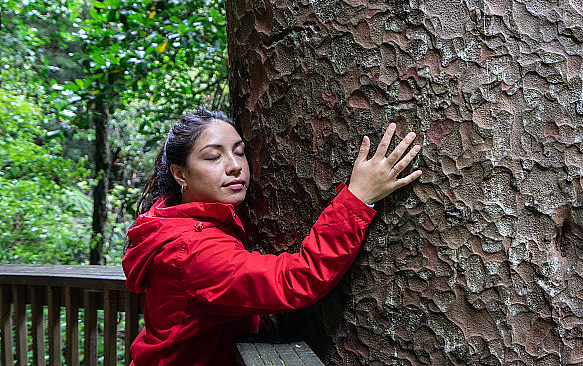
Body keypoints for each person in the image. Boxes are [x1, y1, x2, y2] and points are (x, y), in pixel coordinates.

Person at [122, 107, 422, 366]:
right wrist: (358, 198)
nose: (235, 166)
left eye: (239, 152)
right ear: (180, 174)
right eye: (213, 157)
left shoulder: (176, 220)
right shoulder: (191, 250)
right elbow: (297, 278)